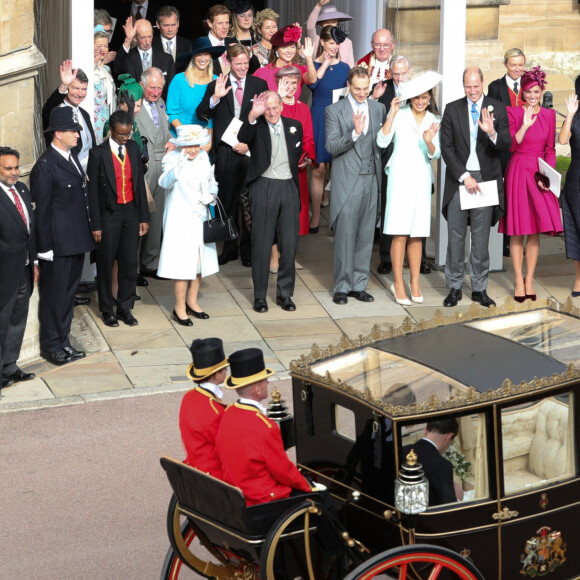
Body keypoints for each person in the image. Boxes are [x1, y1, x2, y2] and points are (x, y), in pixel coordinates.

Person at [440, 67, 511, 308]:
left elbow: (506, 144)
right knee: (456, 236)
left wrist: (491, 132)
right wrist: (464, 176)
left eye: (476, 86)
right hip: (461, 180)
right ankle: (455, 287)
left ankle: (480, 288)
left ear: (482, 83)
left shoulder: (497, 107)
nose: (472, 91)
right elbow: (446, 148)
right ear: (463, 85)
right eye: (468, 86)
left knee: (481, 239)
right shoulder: (452, 109)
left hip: (485, 179)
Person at [31, 107, 95, 366]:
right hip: (57, 246)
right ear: (57, 134)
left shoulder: (70, 157)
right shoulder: (45, 167)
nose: (78, 135)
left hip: (75, 240)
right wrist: (43, 248)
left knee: (67, 296)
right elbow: (42, 212)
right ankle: (51, 346)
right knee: (54, 297)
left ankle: (63, 341)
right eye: (72, 131)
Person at [196, 44, 269, 267]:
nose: (243, 68)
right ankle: (229, 249)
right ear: (228, 63)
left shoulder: (259, 84)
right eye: (238, 64)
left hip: (248, 149)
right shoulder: (217, 84)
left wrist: (248, 144)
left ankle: (247, 250)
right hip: (226, 152)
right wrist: (215, 99)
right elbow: (202, 114)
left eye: (246, 63)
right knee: (227, 201)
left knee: (248, 202)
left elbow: (264, 120)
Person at [216, 348, 313, 505]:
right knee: (323, 499)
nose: (268, 382)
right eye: (265, 380)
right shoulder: (265, 427)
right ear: (257, 388)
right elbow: (283, 471)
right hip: (262, 497)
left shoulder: (228, 413)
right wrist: (307, 485)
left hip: (236, 490)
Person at [377, 71, 442, 305]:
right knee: (400, 231)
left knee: (417, 233)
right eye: (417, 97)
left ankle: (415, 281)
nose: (421, 101)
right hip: (399, 177)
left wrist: (428, 140)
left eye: (425, 97)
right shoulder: (400, 114)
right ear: (410, 98)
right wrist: (392, 113)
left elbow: (436, 154)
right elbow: (382, 141)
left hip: (421, 179)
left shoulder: (435, 120)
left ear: (429, 98)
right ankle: (398, 282)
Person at [499, 66, 562, 301]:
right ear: (522, 93)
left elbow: (550, 149)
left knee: (534, 230)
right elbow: (511, 147)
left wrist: (548, 176)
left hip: (539, 174)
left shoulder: (549, 115)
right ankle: (517, 280)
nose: (533, 96)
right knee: (518, 230)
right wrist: (524, 124)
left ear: (541, 91)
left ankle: (529, 279)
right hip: (517, 170)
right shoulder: (512, 113)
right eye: (528, 92)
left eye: (536, 91)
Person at [238, 91, 303, 314]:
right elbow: (243, 136)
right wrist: (253, 115)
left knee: (289, 244)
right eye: (267, 108)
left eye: (275, 107)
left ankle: (285, 294)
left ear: (282, 106)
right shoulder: (256, 126)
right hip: (264, 186)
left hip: (288, 187)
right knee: (262, 243)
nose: (272, 112)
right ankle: (260, 297)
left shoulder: (295, 126)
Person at [325, 67, 386, 305]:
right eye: (357, 89)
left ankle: (359, 285)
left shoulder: (378, 108)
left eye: (365, 89)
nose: (362, 93)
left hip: (372, 178)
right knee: (345, 236)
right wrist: (354, 134)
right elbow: (331, 146)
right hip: (348, 180)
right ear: (349, 86)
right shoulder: (334, 111)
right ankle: (341, 286)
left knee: (365, 235)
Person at [87, 110, 150, 328]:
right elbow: (92, 193)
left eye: (128, 133)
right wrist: (96, 224)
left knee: (129, 263)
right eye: (121, 134)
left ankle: (125, 307)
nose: (125, 138)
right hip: (108, 215)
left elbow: (139, 186)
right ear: (111, 131)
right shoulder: (98, 154)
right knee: (105, 264)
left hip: (131, 212)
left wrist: (143, 216)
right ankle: (107, 309)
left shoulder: (133, 148)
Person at [158, 125, 219, 325]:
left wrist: (211, 195)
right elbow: (164, 182)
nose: (193, 150)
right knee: (182, 265)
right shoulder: (171, 159)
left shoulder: (203, 158)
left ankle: (192, 301)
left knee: (199, 263)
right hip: (180, 219)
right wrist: (178, 168)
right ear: (180, 145)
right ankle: (179, 307)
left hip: (200, 216)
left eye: (196, 145)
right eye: (188, 146)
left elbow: (212, 182)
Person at [0, 147, 37, 389]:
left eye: (16, 167)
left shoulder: (22, 189)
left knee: (18, 319)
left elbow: (29, 230)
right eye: (8, 168)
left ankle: (10, 365)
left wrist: (33, 262)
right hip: (4, 272)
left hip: (24, 268)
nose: (14, 172)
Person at [308, 25, 350, 233]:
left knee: (338, 170)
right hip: (318, 116)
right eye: (331, 43)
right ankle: (315, 217)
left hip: (339, 118)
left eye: (337, 43)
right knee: (319, 168)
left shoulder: (344, 68)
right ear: (323, 42)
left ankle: (336, 216)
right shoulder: (313, 64)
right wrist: (324, 62)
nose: (334, 47)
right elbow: (313, 84)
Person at [373, 55, 411, 275]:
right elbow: (370, 110)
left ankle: (419, 256)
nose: (399, 78)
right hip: (388, 151)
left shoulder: (418, 88)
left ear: (410, 70)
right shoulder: (382, 88)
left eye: (402, 73)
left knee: (414, 204)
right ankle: (386, 257)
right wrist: (376, 98)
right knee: (388, 204)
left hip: (413, 152)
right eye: (395, 73)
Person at [487, 48, 527, 258]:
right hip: (505, 148)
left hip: (527, 148)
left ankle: (523, 237)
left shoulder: (531, 86)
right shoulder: (496, 87)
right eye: (513, 65)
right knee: (506, 194)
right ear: (505, 65)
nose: (517, 69)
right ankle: (505, 241)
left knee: (526, 195)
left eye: (521, 64)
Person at [135, 67, 172, 279]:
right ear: (142, 85)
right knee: (141, 216)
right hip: (144, 166)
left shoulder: (160, 103)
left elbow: (164, 131)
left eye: (159, 88)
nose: (156, 92)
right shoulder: (134, 105)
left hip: (162, 164)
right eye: (152, 87)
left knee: (157, 216)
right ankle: (134, 268)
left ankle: (150, 263)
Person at [179, 337, 229, 478]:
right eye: (224, 368)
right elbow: (225, 449)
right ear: (216, 374)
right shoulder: (214, 409)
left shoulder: (189, 397)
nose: (226, 370)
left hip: (194, 464)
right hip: (215, 474)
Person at [276, 66, 316, 238]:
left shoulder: (303, 108)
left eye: (294, 83)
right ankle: (275, 255)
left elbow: (308, 139)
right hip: (276, 168)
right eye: (286, 83)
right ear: (278, 83)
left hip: (297, 169)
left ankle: (290, 257)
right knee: (277, 213)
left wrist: (308, 159)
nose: (291, 87)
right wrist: (278, 98)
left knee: (296, 213)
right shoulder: (273, 106)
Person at [42, 60, 97, 172]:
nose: (80, 94)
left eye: (83, 89)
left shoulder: (84, 114)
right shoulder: (57, 111)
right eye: (75, 88)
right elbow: (47, 109)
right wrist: (63, 85)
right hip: (66, 172)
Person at [167, 36, 225, 139]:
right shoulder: (179, 80)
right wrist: (187, 136)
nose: (203, 58)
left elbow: (216, 115)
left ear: (211, 57)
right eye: (199, 54)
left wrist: (209, 141)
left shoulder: (217, 81)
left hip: (207, 136)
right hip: (181, 136)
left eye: (206, 54)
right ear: (193, 57)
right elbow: (172, 113)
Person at [401, 418, 463, 507]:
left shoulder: (402, 450)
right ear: (449, 437)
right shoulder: (443, 465)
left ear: (426, 430)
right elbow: (447, 509)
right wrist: (457, 498)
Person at [115, 18, 175, 100]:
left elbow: (171, 90)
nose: (147, 42)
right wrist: (128, 39)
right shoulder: (128, 57)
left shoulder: (167, 59)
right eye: (143, 37)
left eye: (150, 37)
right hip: (135, 106)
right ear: (135, 38)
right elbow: (117, 68)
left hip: (159, 106)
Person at [559, 86, 580, 298]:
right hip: (577, 179)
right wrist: (571, 114)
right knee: (576, 227)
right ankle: (578, 280)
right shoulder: (574, 115)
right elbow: (563, 140)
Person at [253, 25, 316, 92]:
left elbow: (312, 80)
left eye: (292, 47)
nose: (289, 51)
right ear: (277, 50)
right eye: (284, 47)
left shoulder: (299, 69)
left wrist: (309, 58)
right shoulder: (263, 72)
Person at [306, 0, 354, 67]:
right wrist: (318, 6)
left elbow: (350, 68)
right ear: (321, 24)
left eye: (333, 21)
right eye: (327, 22)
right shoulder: (317, 40)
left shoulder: (347, 42)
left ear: (337, 22)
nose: (330, 24)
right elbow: (310, 27)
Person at [152, 5, 191, 73]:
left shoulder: (189, 45)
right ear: (158, 24)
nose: (170, 29)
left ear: (178, 23)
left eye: (173, 25)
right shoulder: (151, 44)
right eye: (166, 25)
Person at [94, 30, 116, 144]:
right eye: (98, 46)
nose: (102, 49)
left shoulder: (106, 69)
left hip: (107, 119)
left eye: (105, 46)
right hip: (94, 121)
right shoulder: (88, 69)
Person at [206, 4, 232, 75]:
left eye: (227, 23)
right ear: (210, 23)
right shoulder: (202, 46)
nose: (225, 27)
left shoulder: (233, 43)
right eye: (220, 23)